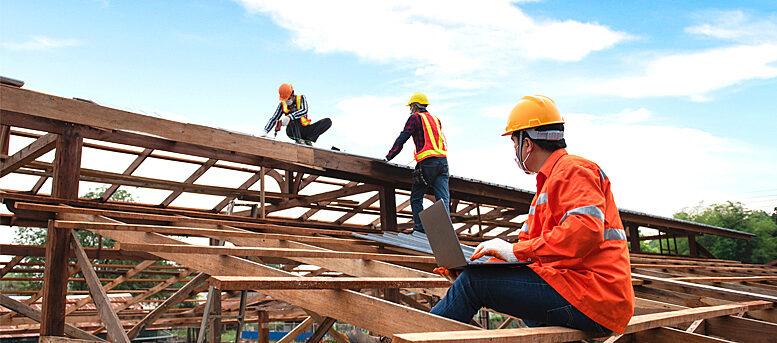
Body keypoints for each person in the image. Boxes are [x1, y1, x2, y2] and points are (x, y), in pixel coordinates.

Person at [430, 95, 634, 336]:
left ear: (527, 144)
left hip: (596, 296)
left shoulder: (574, 170)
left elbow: (584, 232)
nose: (514, 151)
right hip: (578, 290)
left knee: (475, 285)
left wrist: (507, 254)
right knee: (474, 280)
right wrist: (476, 268)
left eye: (513, 142)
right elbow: (527, 254)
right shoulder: (545, 188)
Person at [386, 93, 449, 233]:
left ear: (415, 106)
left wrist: (389, 156)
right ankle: (445, 231)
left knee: (416, 198)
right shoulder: (436, 119)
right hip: (443, 163)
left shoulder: (415, 118)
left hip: (427, 163)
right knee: (443, 199)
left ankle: (420, 229)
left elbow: (403, 137)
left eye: (411, 107)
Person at [262, 83, 331, 145]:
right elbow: (274, 118)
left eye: (288, 99)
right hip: (292, 131)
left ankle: (308, 140)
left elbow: (304, 110)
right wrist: (265, 131)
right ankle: (298, 140)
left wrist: (289, 116)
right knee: (293, 115)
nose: (287, 101)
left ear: (293, 94)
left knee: (327, 122)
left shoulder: (301, 98)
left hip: (305, 129)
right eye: (285, 100)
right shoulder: (282, 105)